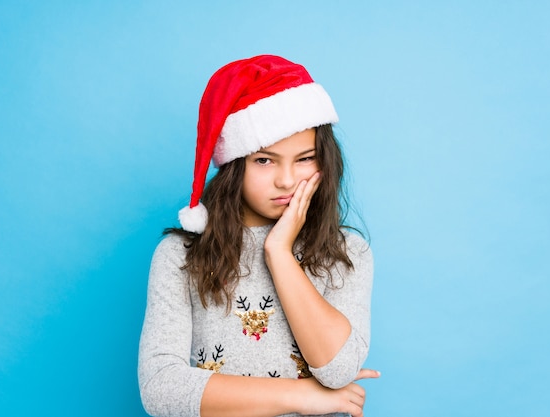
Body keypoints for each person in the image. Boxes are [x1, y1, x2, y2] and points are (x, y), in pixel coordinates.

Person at [138, 54, 378, 417]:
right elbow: (161, 388)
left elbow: (337, 368)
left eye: (305, 158)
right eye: (265, 160)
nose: (286, 180)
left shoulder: (347, 253)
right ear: (235, 164)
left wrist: (279, 252)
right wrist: (302, 396)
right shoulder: (181, 255)